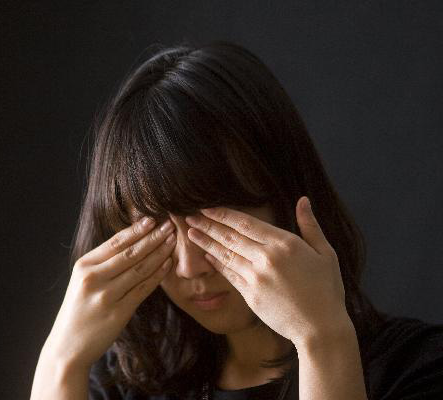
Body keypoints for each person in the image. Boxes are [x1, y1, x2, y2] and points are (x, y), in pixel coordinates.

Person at [29, 40, 443, 400]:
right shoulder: (125, 384)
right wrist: (61, 362)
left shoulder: (419, 368)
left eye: (214, 222)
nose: (191, 266)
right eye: (158, 229)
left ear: (285, 196)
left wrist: (323, 340)